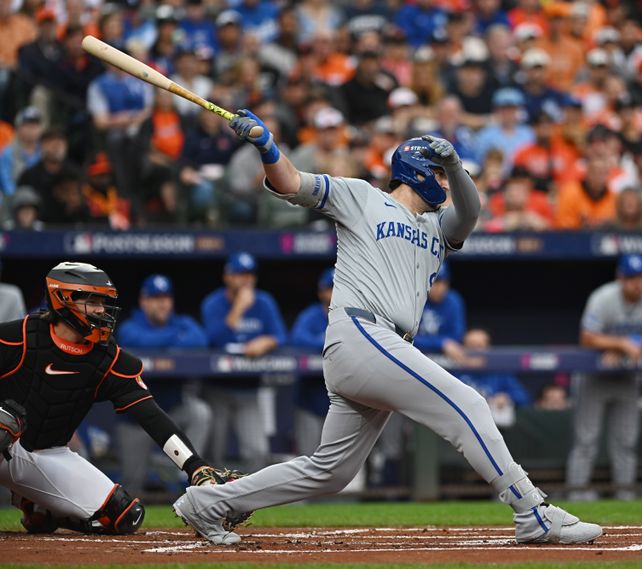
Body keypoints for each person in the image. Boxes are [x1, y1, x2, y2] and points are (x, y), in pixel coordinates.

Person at [172, 108, 602, 545]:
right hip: (360, 333)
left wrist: (455, 164)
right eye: (438, 173)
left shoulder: (439, 226)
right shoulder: (361, 195)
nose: (445, 182)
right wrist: (267, 146)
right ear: (416, 171)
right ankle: (531, 509)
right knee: (468, 405)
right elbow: (291, 183)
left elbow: (471, 212)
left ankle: (208, 503)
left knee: (330, 472)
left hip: (380, 348)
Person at [0, 262, 226, 535]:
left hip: (49, 452)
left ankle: (40, 507)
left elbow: (151, 415)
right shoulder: (18, 337)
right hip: (7, 447)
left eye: (103, 302)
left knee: (122, 516)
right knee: (5, 422)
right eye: (92, 301)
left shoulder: (109, 359)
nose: (101, 310)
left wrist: (195, 467)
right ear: (63, 299)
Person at [565, 254, 642, 502]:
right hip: (594, 377)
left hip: (626, 377)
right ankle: (576, 495)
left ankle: (626, 496)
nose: (636, 283)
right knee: (586, 441)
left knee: (626, 442)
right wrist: (621, 343)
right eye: (631, 278)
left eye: (640, 278)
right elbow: (587, 337)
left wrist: (638, 341)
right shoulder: (603, 298)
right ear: (620, 278)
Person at [115, 274, 212, 496]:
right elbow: (140, 342)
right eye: (155, 297)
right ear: (144, 301)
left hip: (172, 411)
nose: (162, 303)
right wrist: (174, 338)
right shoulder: (130, 326)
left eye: (166, 297)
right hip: (135, 418)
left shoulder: (183, 322)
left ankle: (183, 474)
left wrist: (163, 339)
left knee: (200, 412)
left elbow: (201, 340)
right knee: (132, 484)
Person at [201, 251, 287, 473]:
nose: (246, 280)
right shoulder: (213, 302)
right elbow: (213, 339)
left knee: (257, 451)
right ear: (227, 276)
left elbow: (281, 334)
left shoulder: (264, 302)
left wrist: (266, 341)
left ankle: (251, 502)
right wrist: (238, 308)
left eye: (250, 274)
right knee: (214, 456)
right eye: (240, 274)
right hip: (216, 389)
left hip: (249, 389)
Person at [289, 268, 335, 457]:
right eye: (330, 288)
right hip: (310, 398)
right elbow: (297, 338)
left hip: (342, 401)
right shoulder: (309, 316)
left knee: (337, 462)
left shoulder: (354, 316)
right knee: (308, 459)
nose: (335, 293)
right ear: (321, 292)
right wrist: (330, 341)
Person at [456, 328, 531, 428]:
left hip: (492, 427)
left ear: (488, 349)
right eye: (470, 346)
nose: (474, 351)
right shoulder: (455, 371)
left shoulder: (498, 370)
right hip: (462, 425)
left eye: (479, 346)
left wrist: (507, 397)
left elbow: (523, 397)